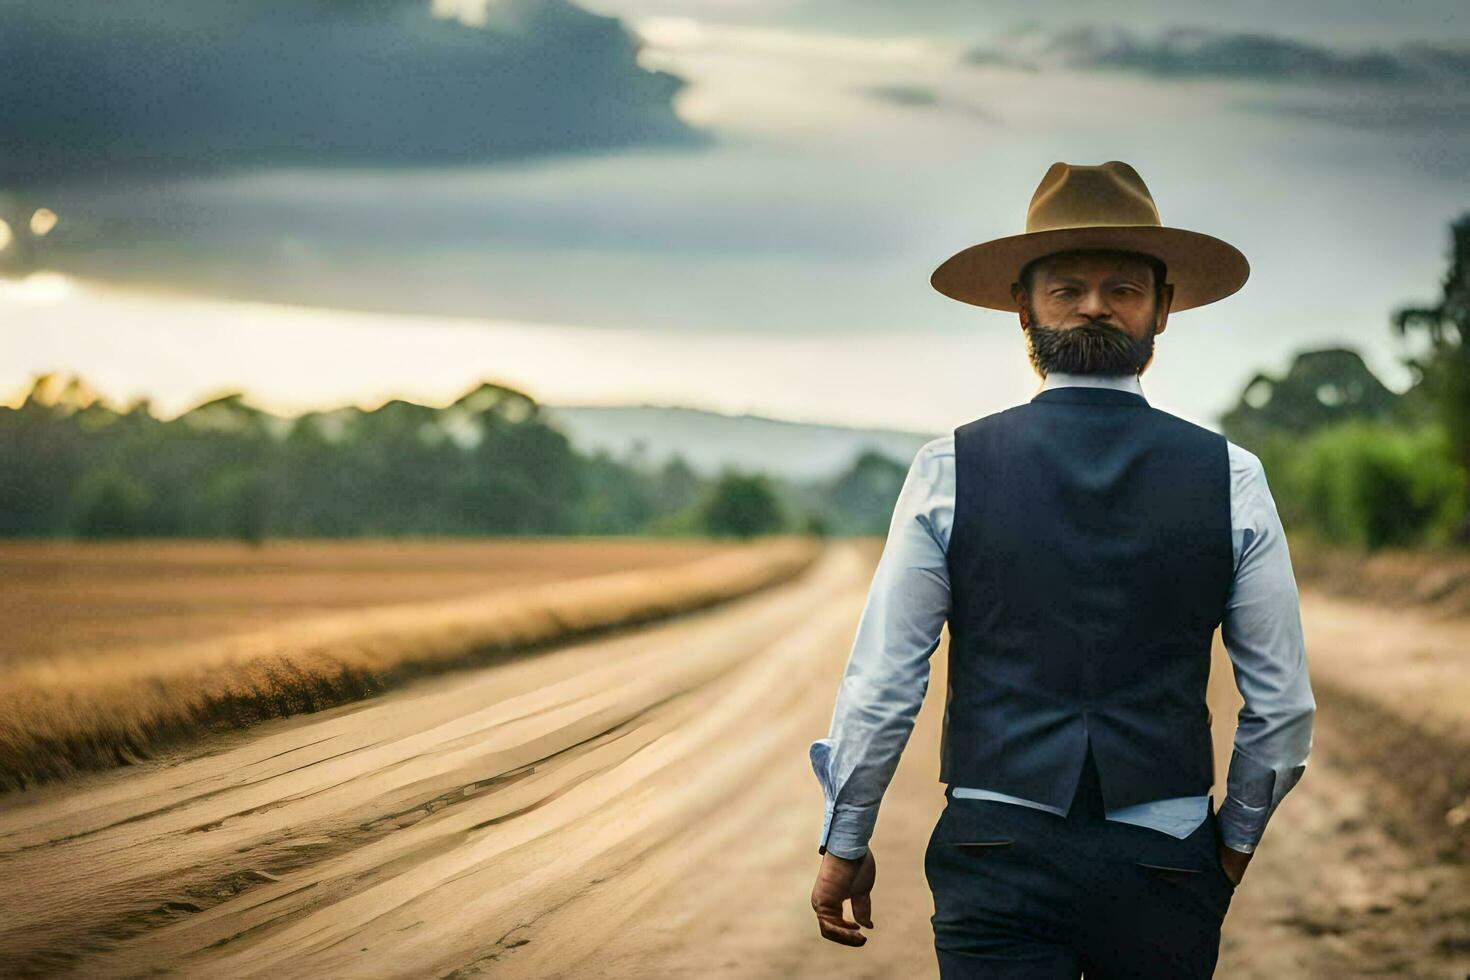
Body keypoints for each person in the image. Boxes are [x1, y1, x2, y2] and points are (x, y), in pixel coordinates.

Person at [807, 160, 1316, 978]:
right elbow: (1283, 710)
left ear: (1163, 306)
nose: (1093, 303)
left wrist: (846, 839)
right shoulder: (1230, 476)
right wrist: (1231, 849)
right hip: (1166, 860)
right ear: (1024, 306)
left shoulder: (952, 467)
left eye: (1119, 286)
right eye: (1069, 285)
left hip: (996, 852)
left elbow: (883, 681)